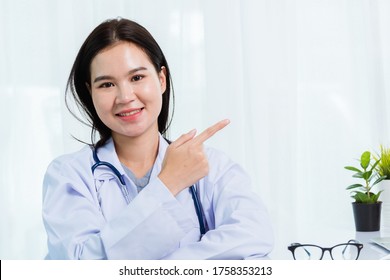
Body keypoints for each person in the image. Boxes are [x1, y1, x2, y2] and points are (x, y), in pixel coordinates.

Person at [42, 18, 274, 260]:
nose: (125, 96)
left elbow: (253, 238)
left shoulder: (213, 167)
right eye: (107, 84)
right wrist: (168, 183)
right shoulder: (68, 175)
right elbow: (77, 266)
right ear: (91, 92)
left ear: (161, 79)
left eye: (137, 78)